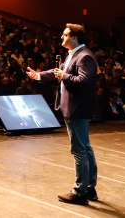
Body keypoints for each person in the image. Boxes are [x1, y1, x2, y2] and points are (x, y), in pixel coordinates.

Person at [26, 23, 98, 205]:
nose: (62, 37)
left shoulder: (84, 56)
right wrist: (39, 75)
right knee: (85, 148)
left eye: (65, 35)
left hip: (77, 108)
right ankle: (89, 188)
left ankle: (80, 192)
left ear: (74, 38)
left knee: (79, 150)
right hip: (74, 108)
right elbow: (59, 72)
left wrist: (63, 76)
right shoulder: (73, 54)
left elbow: (84, 81)